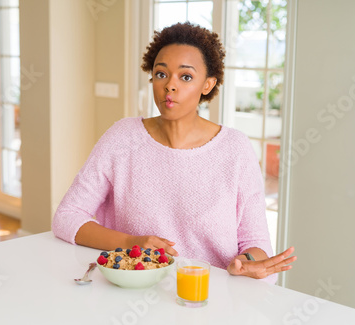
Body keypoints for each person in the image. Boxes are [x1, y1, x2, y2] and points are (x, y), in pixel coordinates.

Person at [52, 22, 296, 282]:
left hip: (208, 298)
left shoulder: (235, 149)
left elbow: (256, 246)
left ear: (208, 85)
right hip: (134, 294)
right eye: (161, 74)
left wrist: (245, 263)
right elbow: (67, 218)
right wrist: (132, 242)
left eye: (186, 77)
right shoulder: (123, 138)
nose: (170, 86)